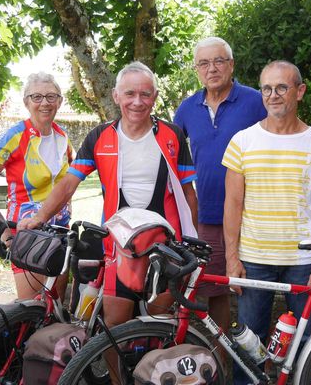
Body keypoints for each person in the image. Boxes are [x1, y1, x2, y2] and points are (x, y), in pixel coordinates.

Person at [18, 61, 198, 330]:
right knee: (114, 327)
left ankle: (147, 370)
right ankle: (118, 375)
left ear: (155, 97)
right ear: (116, 96)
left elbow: (188, 194)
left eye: (145, 94)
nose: (137, 102)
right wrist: (40, 216)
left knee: (157, 326)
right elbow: (69, 183)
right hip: (118, 247)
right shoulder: (100, 137)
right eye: (129, 94)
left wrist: (192, 242)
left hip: (166, 247)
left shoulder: (172, 134)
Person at [222, 61, 311, 384]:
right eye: (267, 89)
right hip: (254, 259)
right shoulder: (243, 141)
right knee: (249, 343)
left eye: (281, 88)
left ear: (299, 92)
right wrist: (232, 257)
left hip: (304, 262)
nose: (273, 95)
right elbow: (232, 205)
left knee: (309, 342)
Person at [174, 37, 267, 332]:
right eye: (204, 63)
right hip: (207, 216)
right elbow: (175, 160)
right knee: (214, 292)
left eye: (218, 61)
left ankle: (256, 365)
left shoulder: (256, 101)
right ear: (196, 69)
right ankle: (221, 361)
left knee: (254, 292)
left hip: (253, 215)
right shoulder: (186, 109)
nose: (211, 68)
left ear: (231, 65)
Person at [0, 72, 72, 300]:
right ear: (26, 102)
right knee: (30, 311)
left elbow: (68, 182)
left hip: (60, 232)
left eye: (51, 96)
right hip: (27, 234)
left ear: (60, 101)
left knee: (55, 308)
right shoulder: (15, 136)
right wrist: (1, 227)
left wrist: (68, 209)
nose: (44, 103)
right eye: (36, 97)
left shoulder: (63, 137)